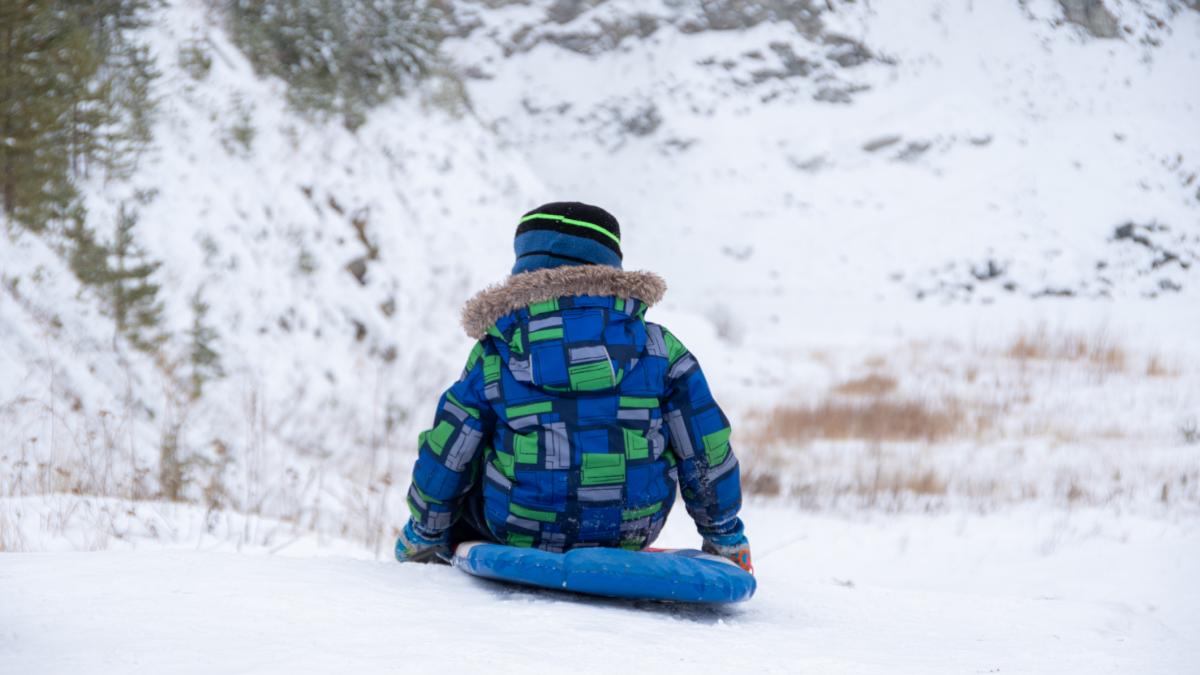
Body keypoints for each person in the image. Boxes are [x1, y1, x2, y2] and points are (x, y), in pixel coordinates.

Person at [395, 202, 751, 573]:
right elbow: (704, 447)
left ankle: (437, 539)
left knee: (470, 458)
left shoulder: (496, 351)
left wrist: (425, 530)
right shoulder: (660, 350)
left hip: (519, 528)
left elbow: (449, 446)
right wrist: (724, 534)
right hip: (632, 528)